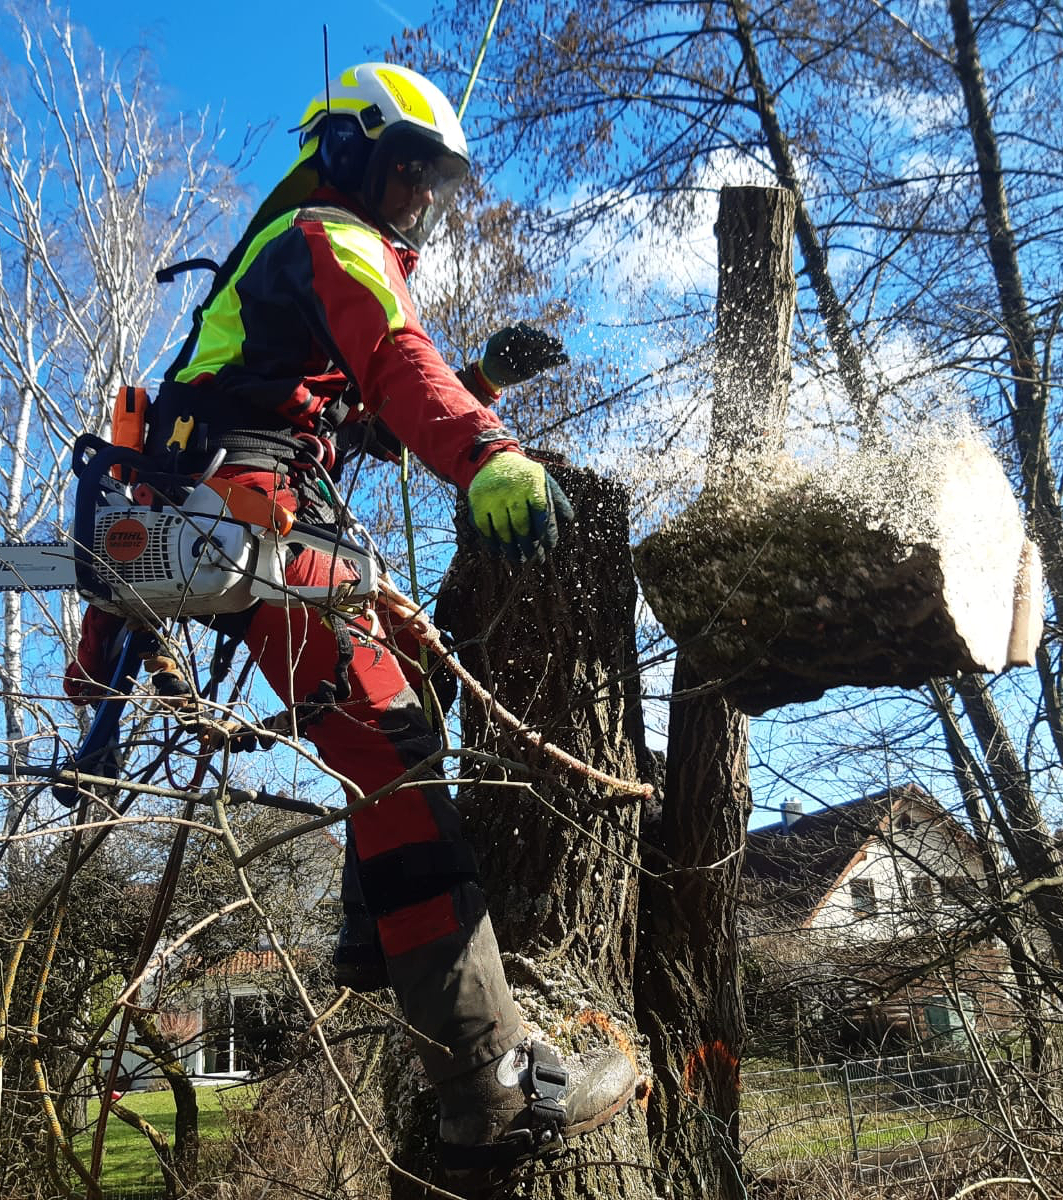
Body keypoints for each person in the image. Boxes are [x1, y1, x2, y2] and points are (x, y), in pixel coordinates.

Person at [67, 62, 638, 1169]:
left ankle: (371, 938)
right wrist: (488, 453)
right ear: (351, 152)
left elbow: (358, 411)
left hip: (249, 515)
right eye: (412, 173)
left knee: (398, 695)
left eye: (434, 183)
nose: (421, 200)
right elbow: (393, 359)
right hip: (248, 519)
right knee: (397, 756)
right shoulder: (332, 236)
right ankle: (491, 1087)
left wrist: (484, 380)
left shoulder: (291, 261)